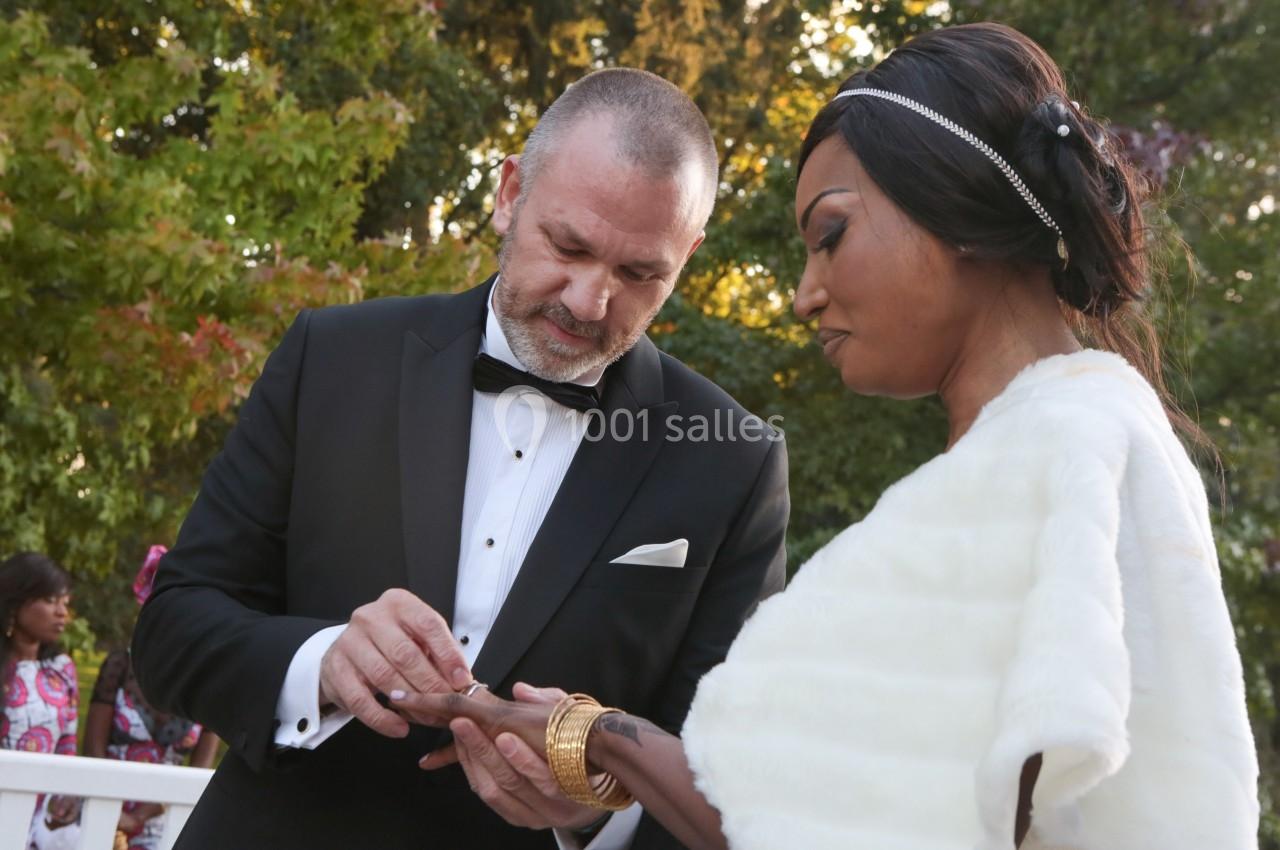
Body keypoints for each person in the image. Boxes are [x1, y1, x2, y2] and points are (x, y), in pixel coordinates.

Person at [393, 22, 1261, 850]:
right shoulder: (1072, 437)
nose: (806, 294)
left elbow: (812, 821)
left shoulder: (1056, 452)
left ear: (952, 207)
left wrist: (592, 736)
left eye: (832, 235)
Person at [132, 67, 790, 850]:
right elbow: (171, 631)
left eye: (639, 273)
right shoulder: (333, 357)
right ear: (510, 191)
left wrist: (588, 810)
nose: (589, 300)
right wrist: (322, 660)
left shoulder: (737, 461)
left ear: (688, 254)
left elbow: (727, 780)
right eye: (569, 245)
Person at [83, 546, 219, 850]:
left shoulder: (206, 676)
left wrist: (143, 816)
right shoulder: (119, 665)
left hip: (167, 817)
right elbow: (93, 749)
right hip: (105, 809)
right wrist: (114, 812)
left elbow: (202, 770)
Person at [0, 552, 81, 850]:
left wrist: (67, 796)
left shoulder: (61, 669)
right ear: (15, 601)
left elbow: (67, 745)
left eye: (65, 603)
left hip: (40, 824)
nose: (62, 612)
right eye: (50, 600)